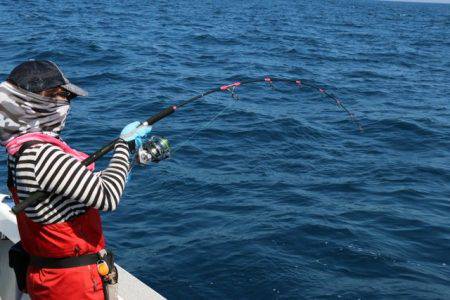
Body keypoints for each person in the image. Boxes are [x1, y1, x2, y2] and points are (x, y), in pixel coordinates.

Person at [0, 60, 153, 299]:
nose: (67, 107)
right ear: (38, 103)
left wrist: (122, 168)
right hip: (70, 285)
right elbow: (107, 197)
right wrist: (125, 146)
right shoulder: (42, 154)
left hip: (48, 275)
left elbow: (69, 188)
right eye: (63, 98)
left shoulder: (20, 148)